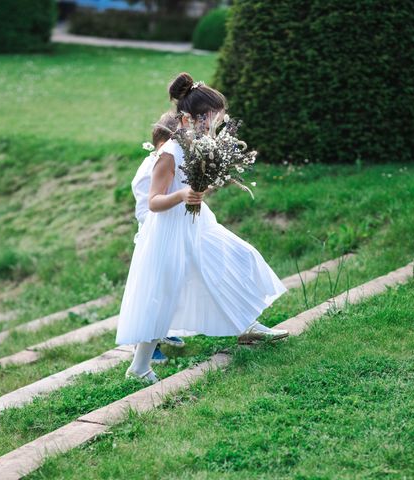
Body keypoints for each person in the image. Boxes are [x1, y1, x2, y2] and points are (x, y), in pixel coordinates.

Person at [116, 72, 289, 383]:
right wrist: (184, 194)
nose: (214, 123)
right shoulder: (169, 152)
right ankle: (139, 367)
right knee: (162, 292)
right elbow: (154, 201)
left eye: (216, 117)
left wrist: (201, 187)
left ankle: (246, 324)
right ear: (188, 118)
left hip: (197, 224)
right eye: (209, 118)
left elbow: (195, 185)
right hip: (169, 230)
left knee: (236, 256)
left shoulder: (200, 144)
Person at [130, 111, 187, 363]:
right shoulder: (154, 165)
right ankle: (144, 343)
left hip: (172, 227)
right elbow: (146, 207)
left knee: (174, 283)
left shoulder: (168, 159)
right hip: (154, 231)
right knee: (154, 289)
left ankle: (165, 329)